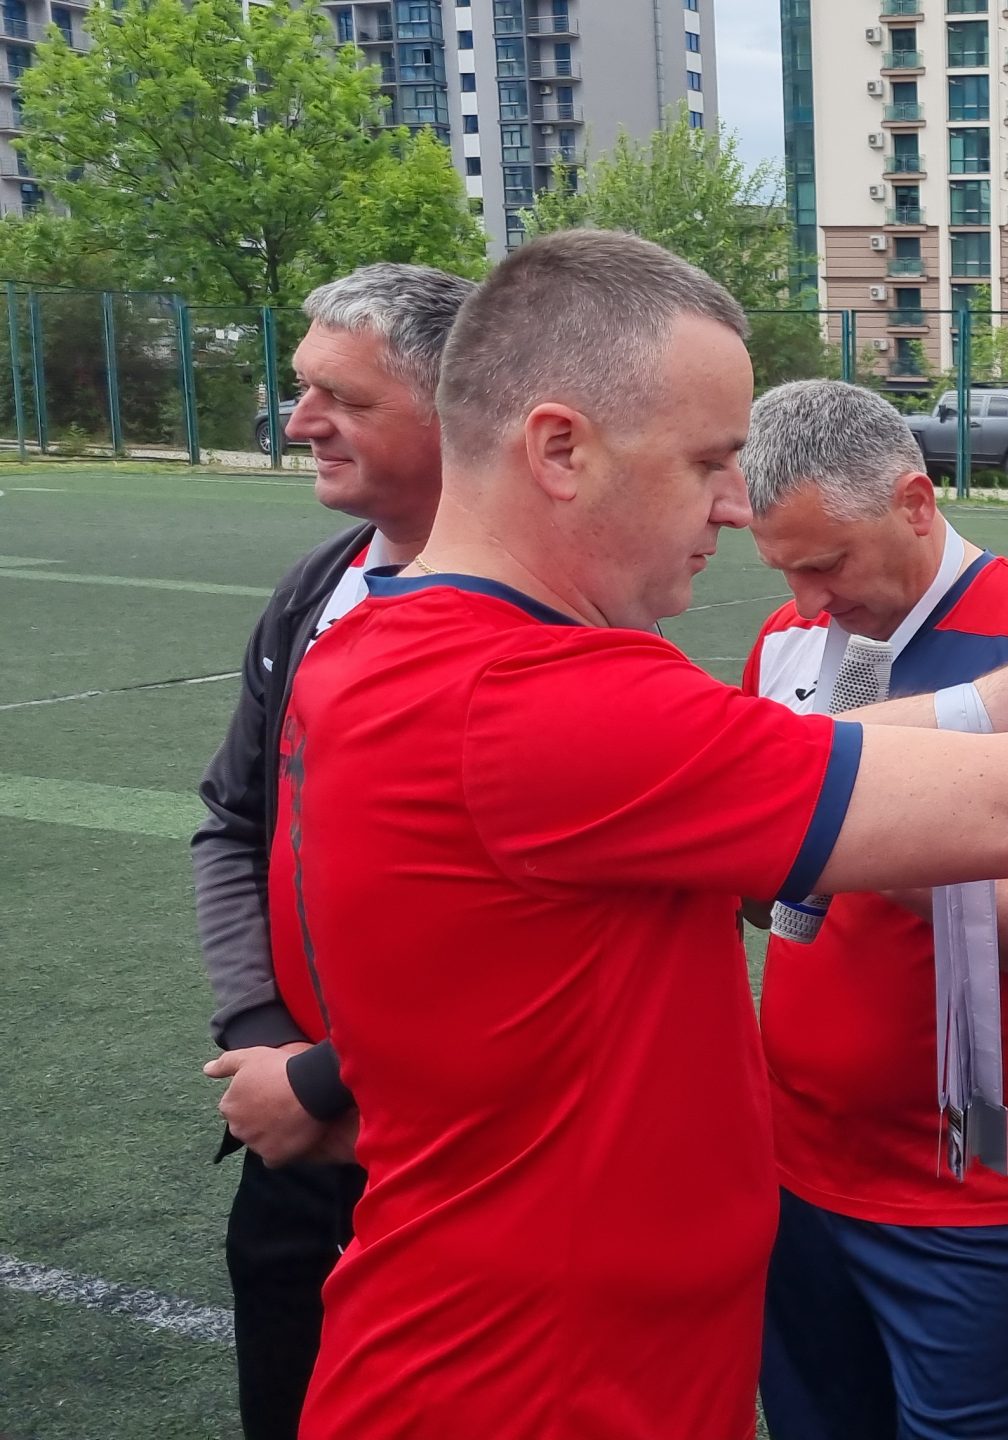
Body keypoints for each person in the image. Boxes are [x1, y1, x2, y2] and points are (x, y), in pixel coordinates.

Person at [272, 229, 1008, 1440]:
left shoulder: (422, 654)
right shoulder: (533, 699)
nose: (733, 505)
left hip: (562, 1341)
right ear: (558, 449)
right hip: (533, 1384)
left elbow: (829, 751)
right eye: (708, 461)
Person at [738, 380, 1008, 1440]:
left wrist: (899, 855)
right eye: (785, 569)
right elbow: (764, 899)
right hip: (789, 1176)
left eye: (827, 564)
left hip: (968, 1197)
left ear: (915, 502)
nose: (806, 601)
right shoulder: (785, 643)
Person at [187, 263, 477, 1440]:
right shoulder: (316, 588)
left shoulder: (564, 618)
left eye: (342, 398)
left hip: (462, 1157)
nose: (299, 420)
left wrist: (328, 1080)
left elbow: (523, 939)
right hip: (297, 1144)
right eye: (303, 389)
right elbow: (231, 823)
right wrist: (268, 1044)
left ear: (460, 411)